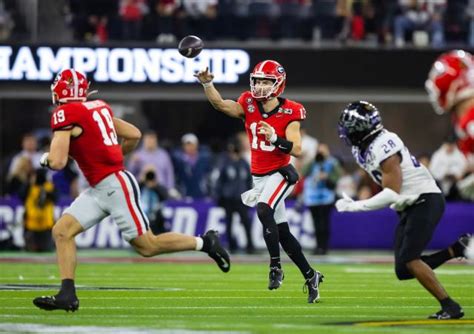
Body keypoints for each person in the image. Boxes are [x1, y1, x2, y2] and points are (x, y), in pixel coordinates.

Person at [33, 69, 230, 312]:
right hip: (101, 186)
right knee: (62, 231)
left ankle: (205, 242)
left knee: (147, 246)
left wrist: (45, 159)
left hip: (115, 185)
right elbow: (134, 135)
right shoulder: (98, 107)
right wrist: (111, 156)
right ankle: (67, 294)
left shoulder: (64, 113)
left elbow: (58, 162)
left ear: (61, 90)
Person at [195, 60, 323, 303]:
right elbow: (221, 105)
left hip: (282, 173)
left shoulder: (291, 110)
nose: (261, 86)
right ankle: (311, 275)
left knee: (263, 208)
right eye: (258, 81)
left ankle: (275, 266)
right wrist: (208, 84)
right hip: (260, 177)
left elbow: (297, 149)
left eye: (266, 81)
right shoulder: (248, 103)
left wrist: (275, 137)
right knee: (283, 232)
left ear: (278, 84)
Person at [335, 101, 470, 320]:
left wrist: (356, 206)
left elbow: (391, 193)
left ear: (362, 129)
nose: (345, 132)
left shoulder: (385, 145)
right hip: (409, 205)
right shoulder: (362, 148)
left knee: (410, 259)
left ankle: (450, 306)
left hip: (425, 200)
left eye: (349, 128)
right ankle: (456, 249)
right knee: (404, 269)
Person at [215, 137, 254, 254]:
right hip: (229, 198)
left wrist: (249, 194)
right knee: (229, 222)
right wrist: (220, 196)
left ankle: (250, 245)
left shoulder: (243, 163)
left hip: (241, 197)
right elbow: (220, 181)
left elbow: (248, 180)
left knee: (246, 222)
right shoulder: (225, 163)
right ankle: (232, 246)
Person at [302, 143, 341, 255]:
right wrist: (312, 159)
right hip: (312, 197)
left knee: (324, 222)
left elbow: (337, 176)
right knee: (316, 222)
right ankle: (318, 246)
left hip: (326, 197)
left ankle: (324, 246)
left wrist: (327, 177)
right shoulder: (312, 162)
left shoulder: (332, 162)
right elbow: (304, 172)